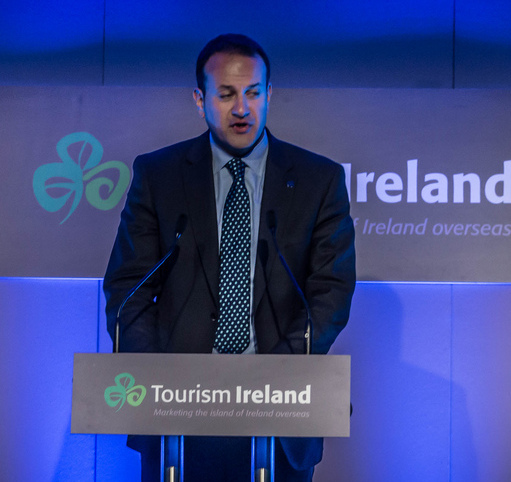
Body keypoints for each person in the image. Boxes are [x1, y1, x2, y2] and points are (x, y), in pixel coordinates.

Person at [104, 33, 356, 482]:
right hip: (176, 411)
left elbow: (331, 293)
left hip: (282, 411)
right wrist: (154, 379)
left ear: (269, 94)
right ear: (199, 99)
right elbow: (129, 287)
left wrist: (271, 378)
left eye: (253, 93)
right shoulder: (159, 175)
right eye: (226, 94)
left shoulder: (319, 179)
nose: (242, 108)